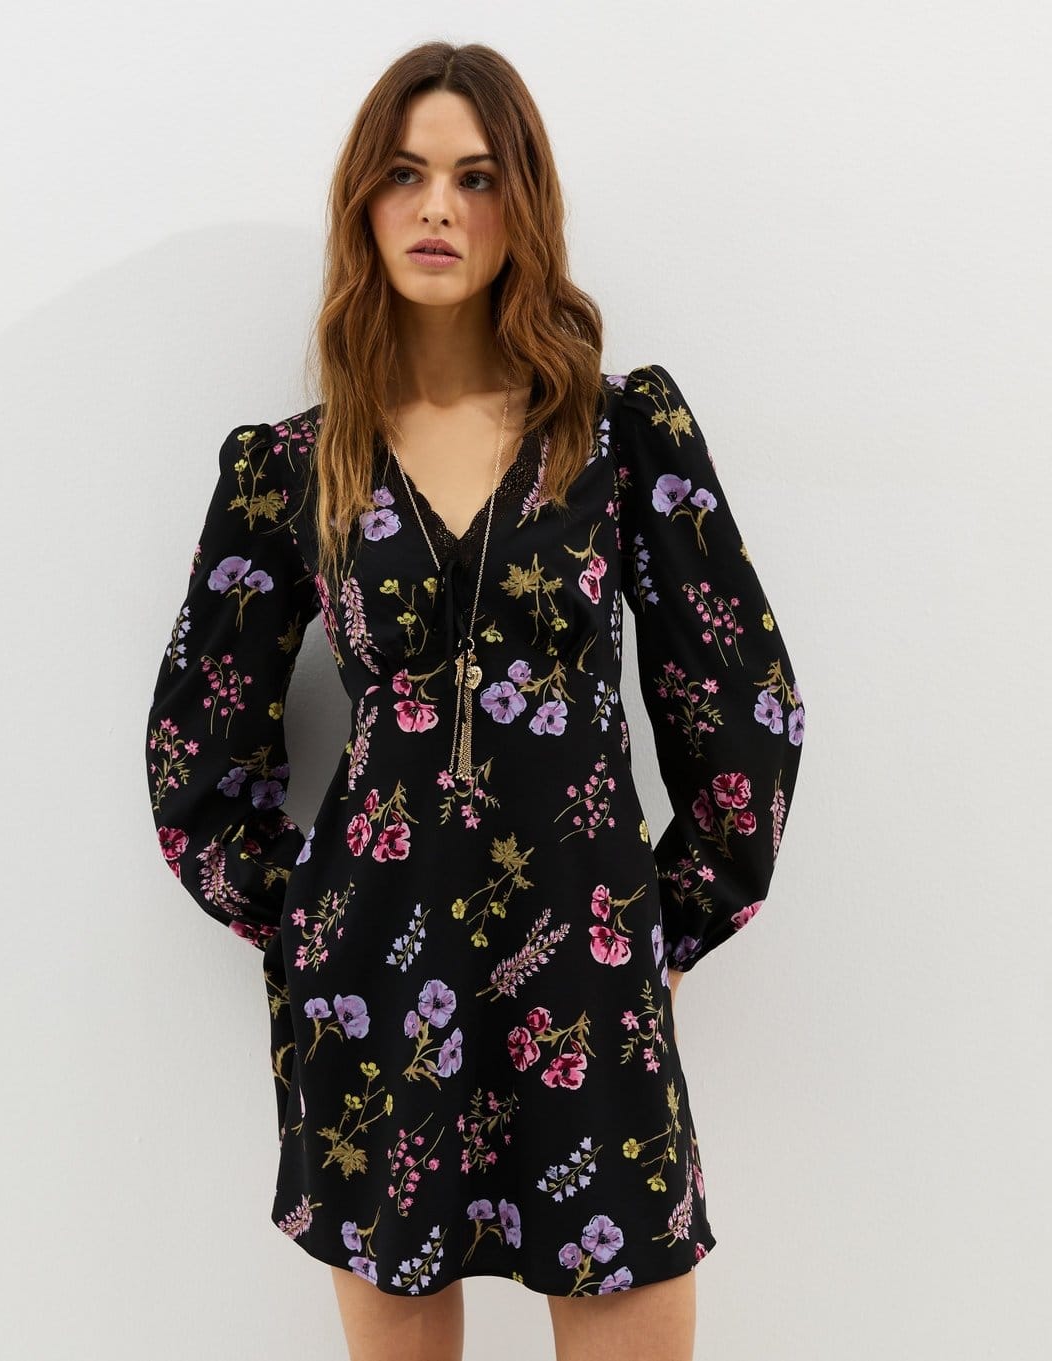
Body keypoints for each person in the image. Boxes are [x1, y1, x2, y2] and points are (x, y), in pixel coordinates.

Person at [143, 40, 805, 1361]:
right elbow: (194, 747)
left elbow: (742, 700)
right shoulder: (293, 466)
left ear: (523, 205)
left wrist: (660, 924)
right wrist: (310, 923)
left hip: (591, 986)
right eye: (405, 174)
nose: (437, 207)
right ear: (364, 203)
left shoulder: (619, 437)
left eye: (476, 176)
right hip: (378, 996)